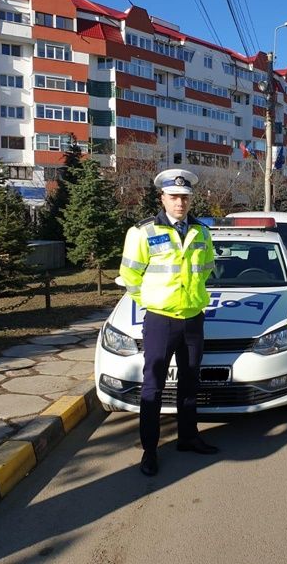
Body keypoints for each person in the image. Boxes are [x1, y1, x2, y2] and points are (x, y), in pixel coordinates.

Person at [119, 168, 217, 476]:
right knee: (154, 386)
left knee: (190, 381)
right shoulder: (143, 232)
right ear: (162, 198)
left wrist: (194, 298)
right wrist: (150, 302)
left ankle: (188, 437)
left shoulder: (201, 232)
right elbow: (130, 275)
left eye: (185, 197)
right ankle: (150, 450)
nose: (180, 202)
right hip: (161, 320)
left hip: (193, 319)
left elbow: (207, 269)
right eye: (174, 196)